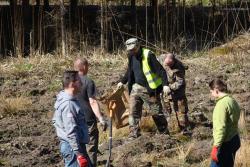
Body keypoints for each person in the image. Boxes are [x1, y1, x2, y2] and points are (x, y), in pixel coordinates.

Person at [117, 38, 170, 139]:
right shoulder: (131, 55)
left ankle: (164, 133)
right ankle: (133, 134)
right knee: (133, 112)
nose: (132, 51)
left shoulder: (148, 55)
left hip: (150, 90)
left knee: (156, 112)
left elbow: (161, 71)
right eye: (130, 49)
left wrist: (165, 85)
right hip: (135, 88)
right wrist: (122, 81)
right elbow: (130, 70)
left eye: (133, 49)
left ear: (138, 45)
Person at [52, 70, 90, 167]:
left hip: (74, 146)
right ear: (72, 84)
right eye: (79, 80)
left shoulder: (66, 98)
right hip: (73, 148)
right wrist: (79, 154)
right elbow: (71, 131)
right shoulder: (68, 104)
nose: (81, 83)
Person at [74, 58, 108, 167]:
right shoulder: (88, 81)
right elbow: (92, 102)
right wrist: (101, 119)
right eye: (87, 66)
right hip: (87, 120)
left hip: (73, 120)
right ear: (83, 67)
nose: (88, 68)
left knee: (76, 147)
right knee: (91, 147)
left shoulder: (69, 81)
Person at [209, 78, 241, 167]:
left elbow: (220, 128)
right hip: (234, 139)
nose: (211, 94)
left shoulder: (221, 105)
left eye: (211, 91)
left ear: (216, 90)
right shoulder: (232, 100)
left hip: (225, 143)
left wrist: (216, 148)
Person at [161, 53, 189, 133]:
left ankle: (184, 129)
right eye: (166, 64)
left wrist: (169, 87)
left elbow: (180, 82)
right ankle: (172, 128)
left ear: (173, 62)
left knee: (181, 111)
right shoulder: (162, 59)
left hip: (178, 92)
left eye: (169, 65)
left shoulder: (179, 67)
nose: (167, 66)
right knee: (168, 110)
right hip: (166, 92)